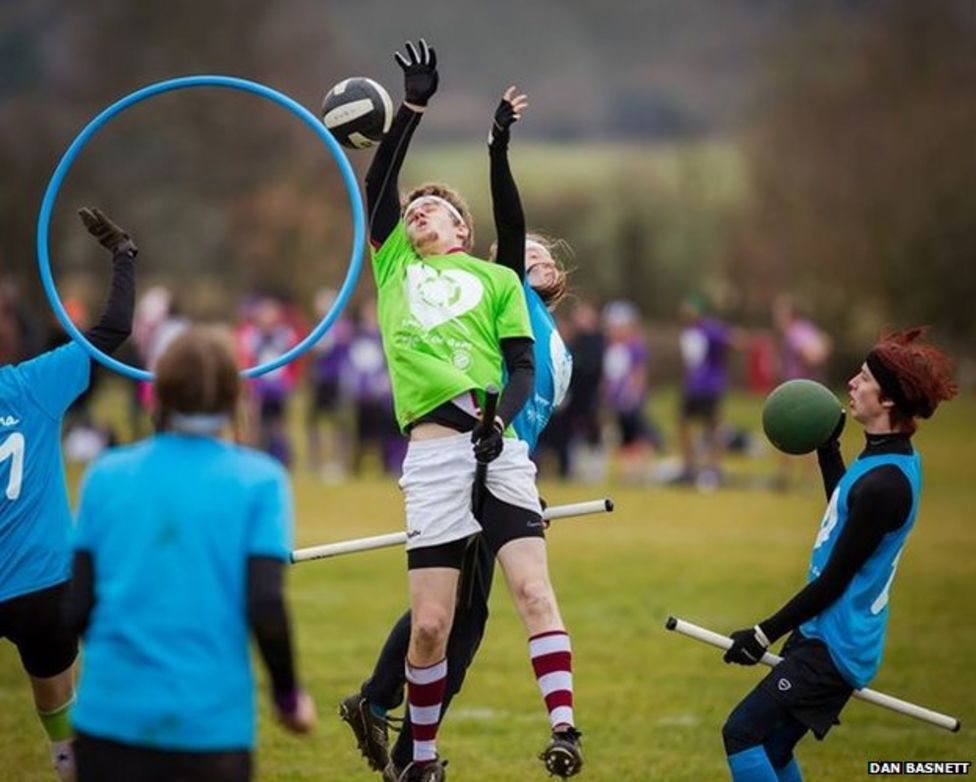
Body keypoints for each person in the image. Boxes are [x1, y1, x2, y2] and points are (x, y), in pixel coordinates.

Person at [352, 40, 580, 781]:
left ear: (463, 233)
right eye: (415, 209)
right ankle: (420, 761)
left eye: (437, 209)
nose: (421, 211)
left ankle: (566, 729)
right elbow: (379, 183)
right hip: (433, 454)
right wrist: (410, 110)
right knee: (432, 626)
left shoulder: (496, 280)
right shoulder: (394, 269)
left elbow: (519, 367)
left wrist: (498, 424)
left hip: (498, 445)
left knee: (528, 593)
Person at [67, 327, 316, 782]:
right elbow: (265, 604)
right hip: (209, 730)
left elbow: (77, 607)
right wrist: (287, 698)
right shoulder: (260, 480)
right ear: (234, 396)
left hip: (108, 721)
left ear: (156, 393)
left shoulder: (105, 475)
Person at [720, 327, 957, 782]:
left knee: (742, 734)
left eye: (864, 378)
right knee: (771, 746)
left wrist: (761, 633)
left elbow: (833, 581)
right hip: (822, 632)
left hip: (836, 644)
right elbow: (847, 511)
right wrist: (829, 449)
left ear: (886, 399)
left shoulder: (884, 486)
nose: (852, 383)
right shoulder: (887, 460)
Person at [0, 207, 136, 781]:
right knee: (59, 708)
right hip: (41, 586)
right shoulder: (29, 384)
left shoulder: (31, 383)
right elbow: (112, 332)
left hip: (39, 581)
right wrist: (124, 256)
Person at [676, 295, 733, 491]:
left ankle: (713, 468)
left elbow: (731, 340)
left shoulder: (712, 329)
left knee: (713, 427)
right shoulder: (687, 331)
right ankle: (689, 466)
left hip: (710, 386)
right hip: (692, 387)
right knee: (683, 423)